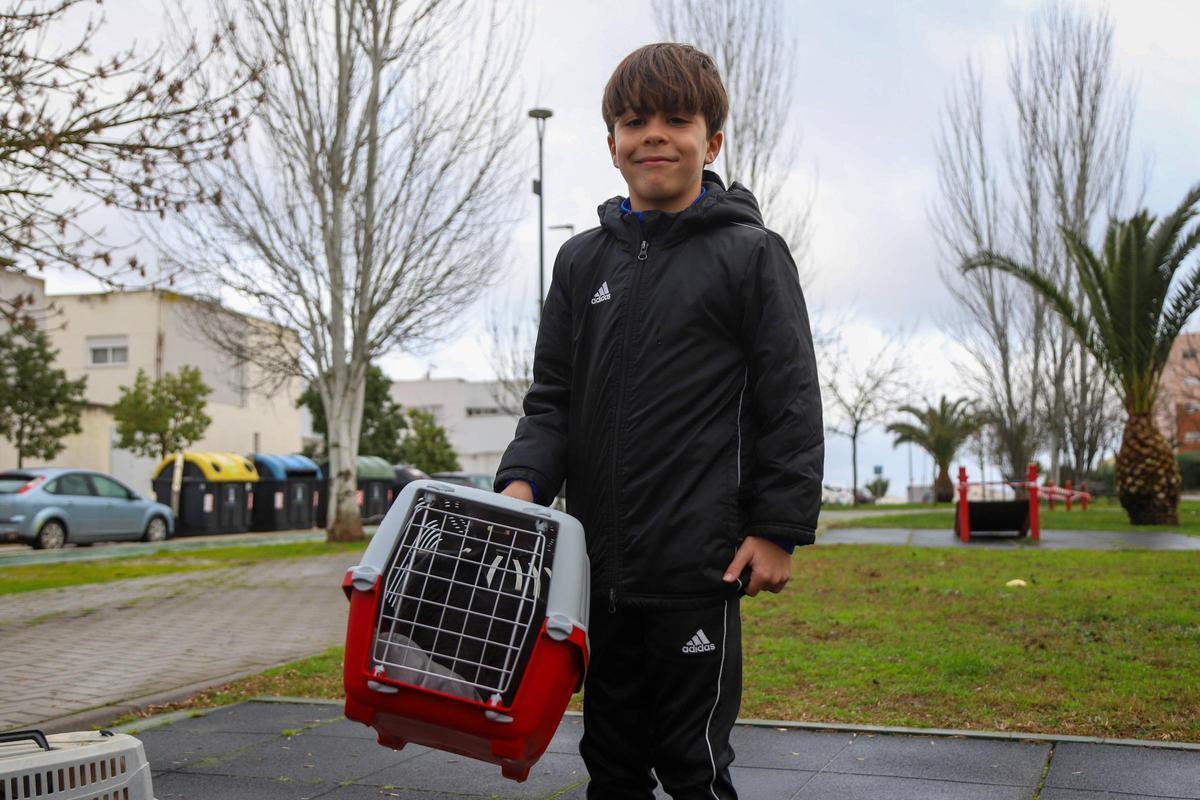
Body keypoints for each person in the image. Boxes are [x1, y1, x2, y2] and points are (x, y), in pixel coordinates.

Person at [495, 42, 822, 800]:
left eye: (677, 120)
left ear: (711, 143)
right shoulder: (581, 264)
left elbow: (791, 399)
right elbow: (552, 399)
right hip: (597, 571)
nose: (654, 136)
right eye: (635, 121)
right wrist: (522, 484)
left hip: (696, 567)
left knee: (692, 766)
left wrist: (778, 528)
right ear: (611, 144)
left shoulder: (752, 255)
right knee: (610, 766)